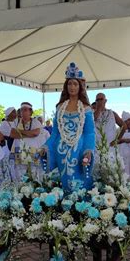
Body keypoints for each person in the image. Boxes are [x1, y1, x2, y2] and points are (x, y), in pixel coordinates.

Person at [42, 62, 95, 191]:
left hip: (79, 150)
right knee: (64, 182)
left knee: (80, 182)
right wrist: (46, 147)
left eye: (75, 84)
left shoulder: (86, 109)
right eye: (69, 84)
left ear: (80, 87)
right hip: (61, 150)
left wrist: (88, 149)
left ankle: (80, 208)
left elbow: (89, 133)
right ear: (66, 86)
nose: (72, 87)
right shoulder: (60, 107)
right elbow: (55, 133)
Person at [10, 102, 43, 181]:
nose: (23, 112)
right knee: (19, 172)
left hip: (32, 150)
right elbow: (12, 134)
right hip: (18, 150)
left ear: (30, 112)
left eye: (25, 110)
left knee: (34, 172)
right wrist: (29, 134)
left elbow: (36, 133)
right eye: (21, 110)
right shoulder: (16, 121)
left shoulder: (36, 122)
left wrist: (19, 131)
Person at [93, 93, 126, 157]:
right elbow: (95, 118)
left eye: (101, 99)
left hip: (110, 147)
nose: (99, 101)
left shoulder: (112, 113)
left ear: (105, 101)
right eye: (97, 100)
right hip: (97, 148)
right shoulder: (92, 113)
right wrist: (99, 108)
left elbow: (124, 126)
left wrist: (117, 140)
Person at [0, 107, 18, 181]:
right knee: (9, 164)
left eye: (15, 112)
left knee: (16, 164)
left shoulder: (16, 122)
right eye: (13, 112)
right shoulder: (4, 124)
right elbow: (12, 135)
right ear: (8, 114)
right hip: (7, 147)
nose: (15, 114)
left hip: (16, 145)